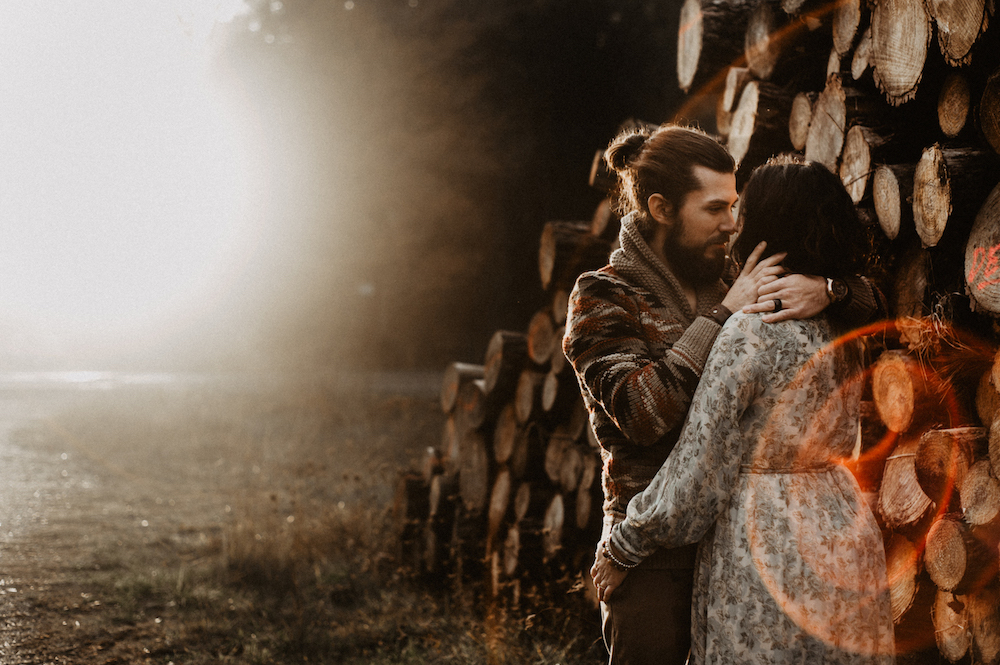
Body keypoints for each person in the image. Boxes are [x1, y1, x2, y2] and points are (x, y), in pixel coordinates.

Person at [562, 124, 886, 664]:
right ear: (663, 209)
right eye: (715, 209)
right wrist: (720, 317)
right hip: (657, 552)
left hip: (743, 532)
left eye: (737, 206)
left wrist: (830, 289)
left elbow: (877, 305)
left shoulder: (734, 271)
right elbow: (641, 414)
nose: (733, 223)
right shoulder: (604, 295)